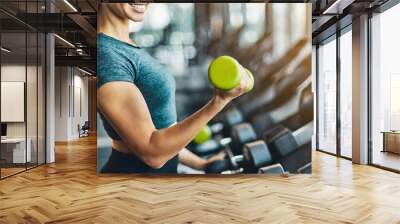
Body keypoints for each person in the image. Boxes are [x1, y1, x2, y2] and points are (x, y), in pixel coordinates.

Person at [97, 3, 249, 173]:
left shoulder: (126, 45)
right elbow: (151, 151)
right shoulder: (107, 56)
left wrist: (200, 164)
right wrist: (219, 101)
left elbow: (163, 131)